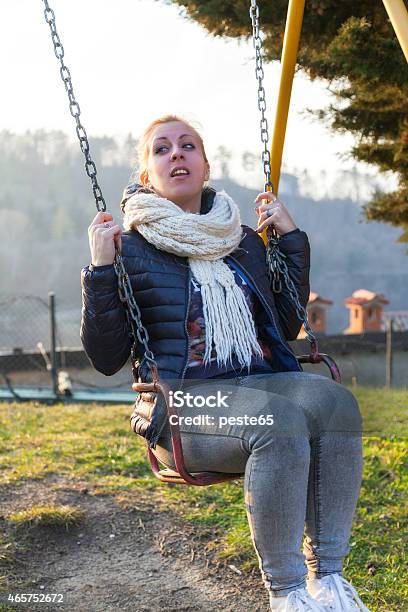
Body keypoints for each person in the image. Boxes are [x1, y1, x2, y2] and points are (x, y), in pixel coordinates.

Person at [80, 115, 370, 612]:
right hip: (184, 406)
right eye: (163, 149)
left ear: (205, 165)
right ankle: (289, 593)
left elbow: (283, 324)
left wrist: (290, 241)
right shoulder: (129, 247)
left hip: (259, 382)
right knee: (275, 422)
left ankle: (330, 581)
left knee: (336, 404)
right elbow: (106, 358)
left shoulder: (242, 240)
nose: (177, 154)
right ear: (147, 174)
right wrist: (102, 271)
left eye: (188, 146)